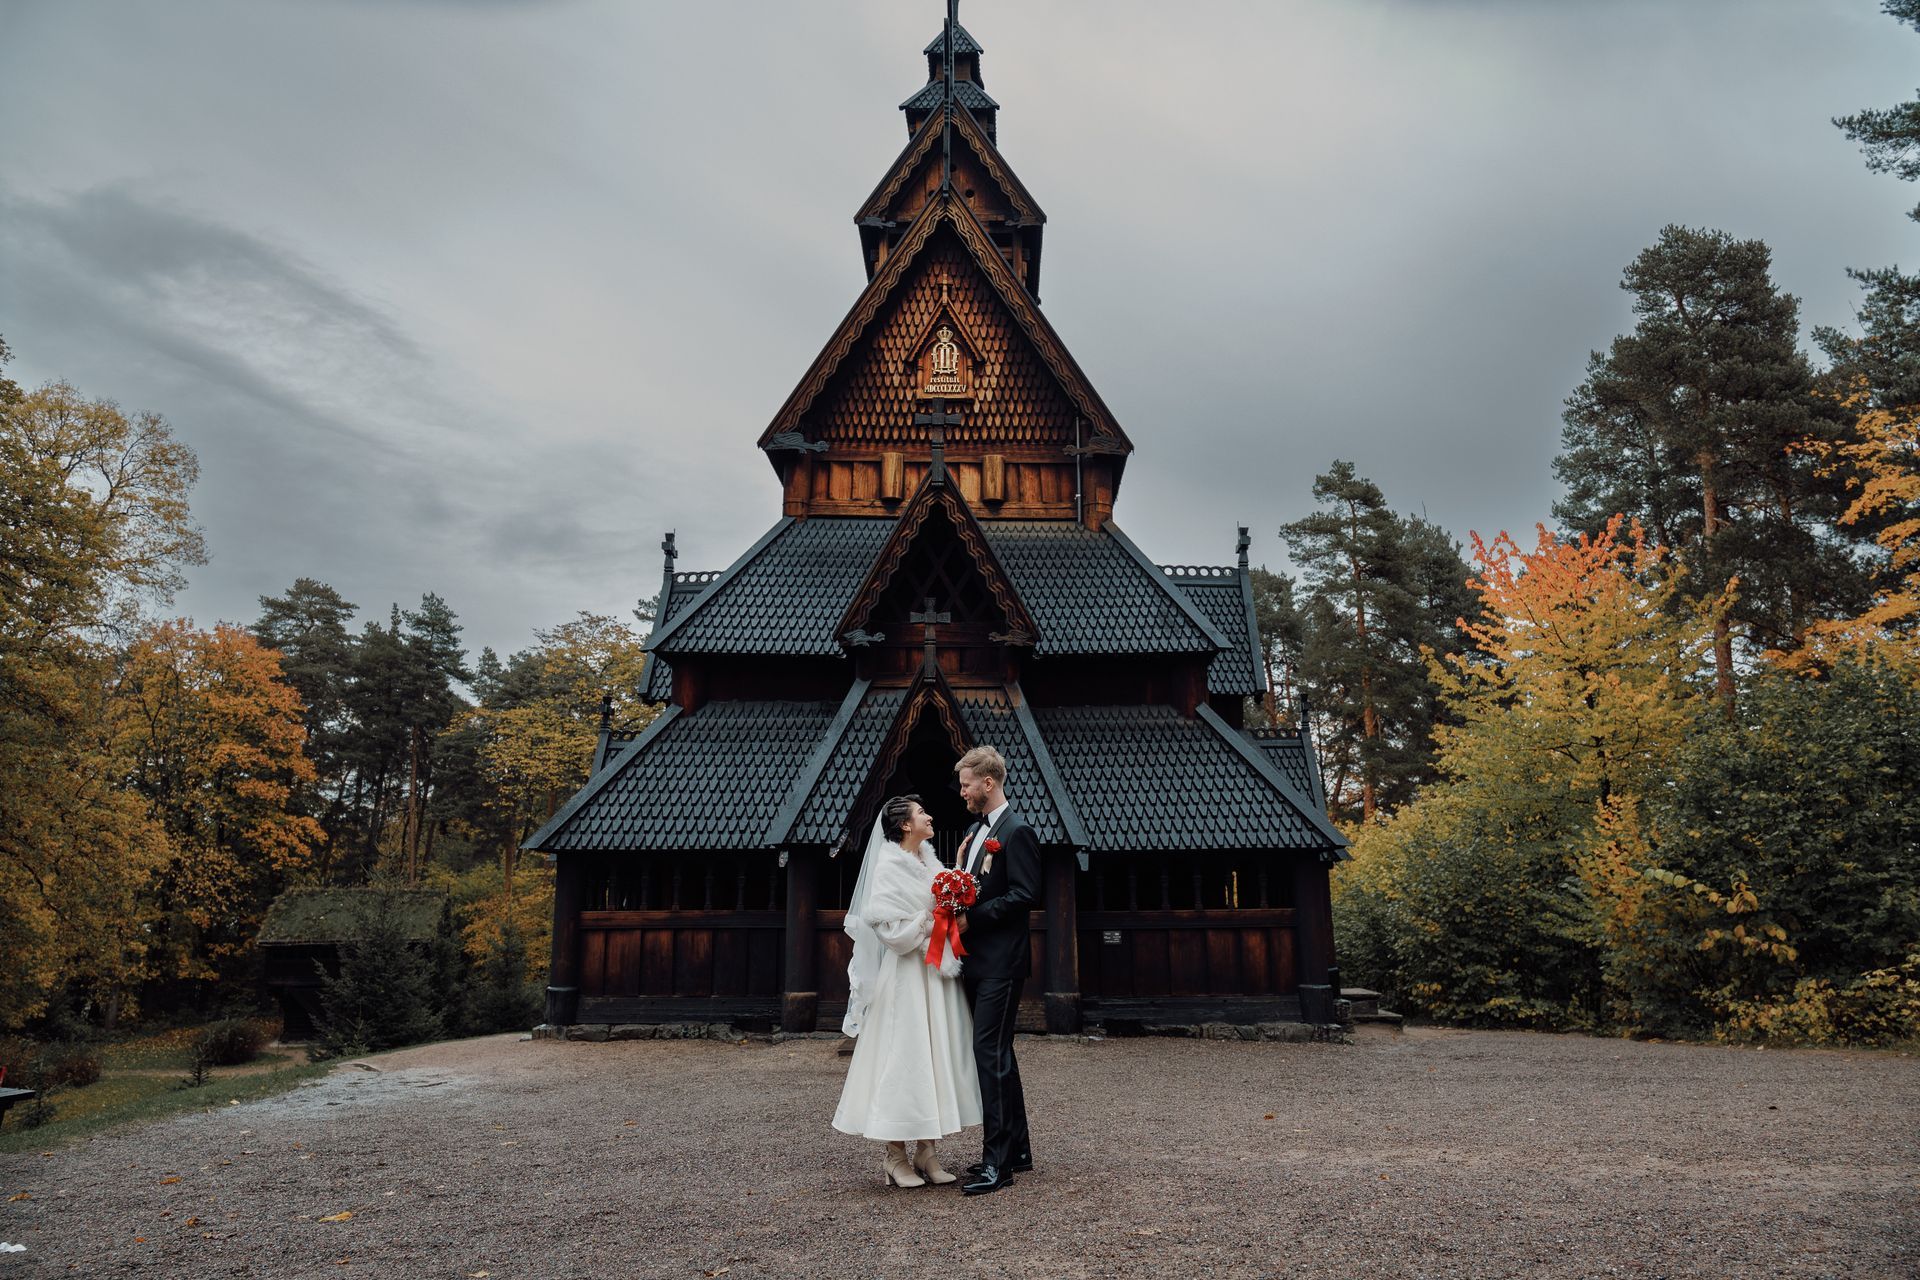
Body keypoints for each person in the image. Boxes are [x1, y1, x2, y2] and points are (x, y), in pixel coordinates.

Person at [831, 794, 981, 1187]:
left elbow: (943, 899)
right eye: (922, 813)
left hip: (936, 977)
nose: (930, 816)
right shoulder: (887, 868)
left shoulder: (930, 862)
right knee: (905, 1056)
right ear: (904, 826)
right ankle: (894, 1156)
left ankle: (928, 1151)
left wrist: (960, 874)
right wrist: (931, 922)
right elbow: (888, 931)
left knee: (934, 1055)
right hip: (906, 978)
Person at [951, 745, 1039, 1196]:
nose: (962, 791)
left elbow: (1024, 894)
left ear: (989, 783)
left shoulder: (1017, 830)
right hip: (977, 961)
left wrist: (973, 919)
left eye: (967, 783)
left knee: (990, 1054)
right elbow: (974, 888)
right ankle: (1017, 1152)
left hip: (1002, 962)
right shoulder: (973, 831)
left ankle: (997, 1165)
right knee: (998, 1054)